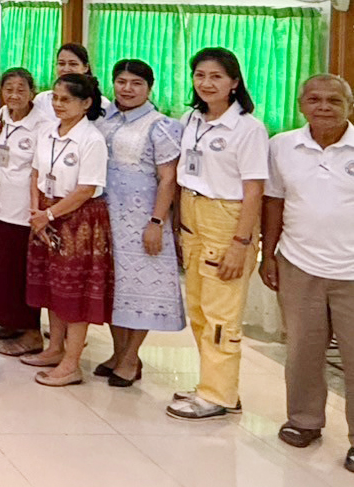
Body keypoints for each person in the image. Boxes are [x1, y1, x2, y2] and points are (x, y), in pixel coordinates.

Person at [167, 47, 269, 420]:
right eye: (200, 75)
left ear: (234, 82)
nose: (207, 83)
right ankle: (217, 384)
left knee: (220, 313)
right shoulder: (191, 118)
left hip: (227, 219)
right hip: (192, 213)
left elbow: (254, 191)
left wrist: (241, 244)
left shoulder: (248, 129)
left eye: (216, 77)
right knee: (198, 309)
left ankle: (217, 395)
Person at [262, 74, 354, 468]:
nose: (324, 107)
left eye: (334, 100)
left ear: (349, 106)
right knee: (302, 351)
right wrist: (268, 255)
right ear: (301, 105)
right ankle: (304, 420)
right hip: (298, 264)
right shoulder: (282, 146)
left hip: (352, 272)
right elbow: (274, 202)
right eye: (314, 99)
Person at [95, 59, 184, 387]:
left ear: (149, 88)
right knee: (113, 287)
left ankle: (131, 358)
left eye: (136, 83)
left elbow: (168, 179)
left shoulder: (161, 126)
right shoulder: (103, 118)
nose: (127, 89)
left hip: (142, 218)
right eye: (121, 82)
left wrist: (157, 221)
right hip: (106, 215)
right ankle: (119, 352)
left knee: (140, 289)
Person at [22, 73, 111, 387]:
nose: (58, 105)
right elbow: (35, 173)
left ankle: (72, 363)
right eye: (56, 98)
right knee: (52, 285)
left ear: (86, 103)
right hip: (46, 214)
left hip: (77, 219)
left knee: (75, 292)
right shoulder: (48, 131)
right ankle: (54, 348)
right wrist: (37, 212)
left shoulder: (92, 139)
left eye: (66, 100)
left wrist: (48, 214)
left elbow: (86, 189)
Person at [0, 68, 49, 357]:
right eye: (8, 89)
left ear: (32, 92)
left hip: (25, 209)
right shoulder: (3, 116)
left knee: (24, 272)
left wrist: (38, 209)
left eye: (21, 90)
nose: (14, 95)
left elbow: (40, 169)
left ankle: (32, 333)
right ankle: (11, 322)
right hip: (0, 205)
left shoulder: (42, 124)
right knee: (3, 270)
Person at [32, 43, 102, 117]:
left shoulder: (101, 103)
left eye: (73, 64)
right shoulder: (42, 99)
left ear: (85, 67)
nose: (66, 69)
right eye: (61, 64)